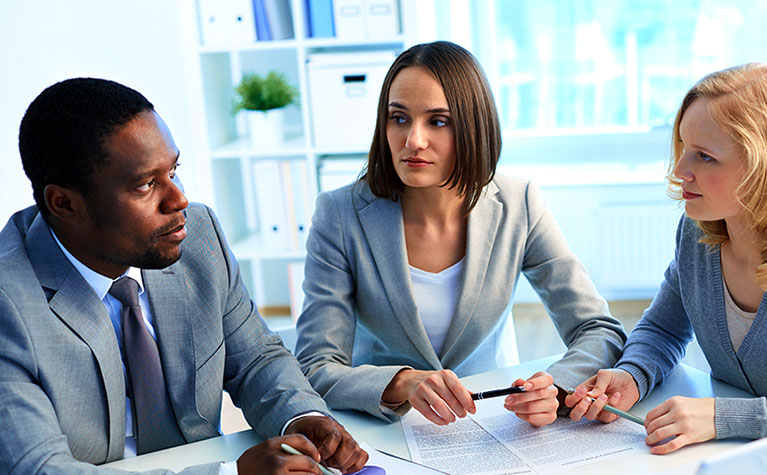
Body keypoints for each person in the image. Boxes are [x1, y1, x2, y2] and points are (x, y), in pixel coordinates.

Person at [0, 78, 368, 474]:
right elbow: (39, 467)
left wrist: (301, 417)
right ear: (64, 203)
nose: (179, 199)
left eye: (174, 170)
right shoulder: (9, 302)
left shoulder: (196, 234)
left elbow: (255, 359)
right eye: (146, 185)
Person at [294, 41, 626, 426]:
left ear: (473, 127)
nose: (413, 140)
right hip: (386, 427)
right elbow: (316, 365)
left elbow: (598, 329)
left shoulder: (519, 203)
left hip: (495, 419)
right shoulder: (340, 214)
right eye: (399, 118)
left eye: (438, 121)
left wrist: (557, 387)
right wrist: (401, 382)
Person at [566, 63, 767, 455]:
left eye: (705, 156)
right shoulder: (696, 235)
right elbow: (663, 328)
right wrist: (631, 375)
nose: (680, 170)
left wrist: (723, 417)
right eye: (683, 147)